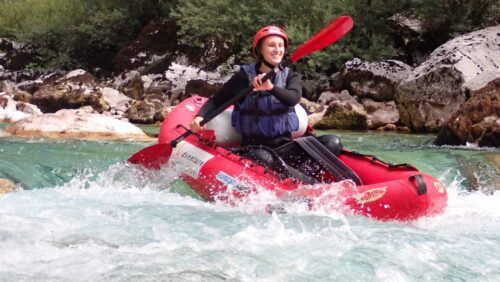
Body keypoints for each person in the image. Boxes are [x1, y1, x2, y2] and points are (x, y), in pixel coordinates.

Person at [189, 25, 303, 149]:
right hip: (253, 147)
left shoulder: (291, 75)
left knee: (328, 141)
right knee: (265, 158)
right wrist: (199, 116)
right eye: (271, 45)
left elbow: (293, 99)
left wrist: (271, 88)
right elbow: (217, 100)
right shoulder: (244, 76)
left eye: (280, 45)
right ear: (260, 50)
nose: (277, 49)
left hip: (284, 144)